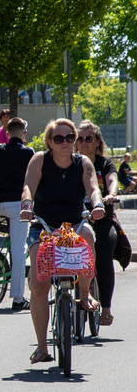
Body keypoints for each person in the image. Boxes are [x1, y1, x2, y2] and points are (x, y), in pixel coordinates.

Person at [19, 117, 102, 362]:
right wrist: (26, 205)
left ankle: (84, 293)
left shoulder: (82, 163)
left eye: (70, 138)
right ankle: (43, 347)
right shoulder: (40, 161)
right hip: (43, 226)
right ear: (49, 142)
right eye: (59, 138)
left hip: (74, 225)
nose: (65, 143)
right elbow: (28, 187)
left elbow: (93, 187)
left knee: (88, 235)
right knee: (39, 285)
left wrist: (97, 204)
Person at [76, 121, 120, 326]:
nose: (83, 143)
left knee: (103, 255)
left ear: (97, 142)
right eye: (80, 139)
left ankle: (106, 308)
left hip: (102, 220)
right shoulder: (70, 162)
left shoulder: (104, 164)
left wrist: (111, 194)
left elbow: (112, 179)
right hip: (76, 218)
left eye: (88, 139)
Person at [0, 116, 35, 311]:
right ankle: (18, 298)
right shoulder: (29, 152)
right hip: (16, 205)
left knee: (11, 241)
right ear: (24, 133)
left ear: (7, 133)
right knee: (20, 251)